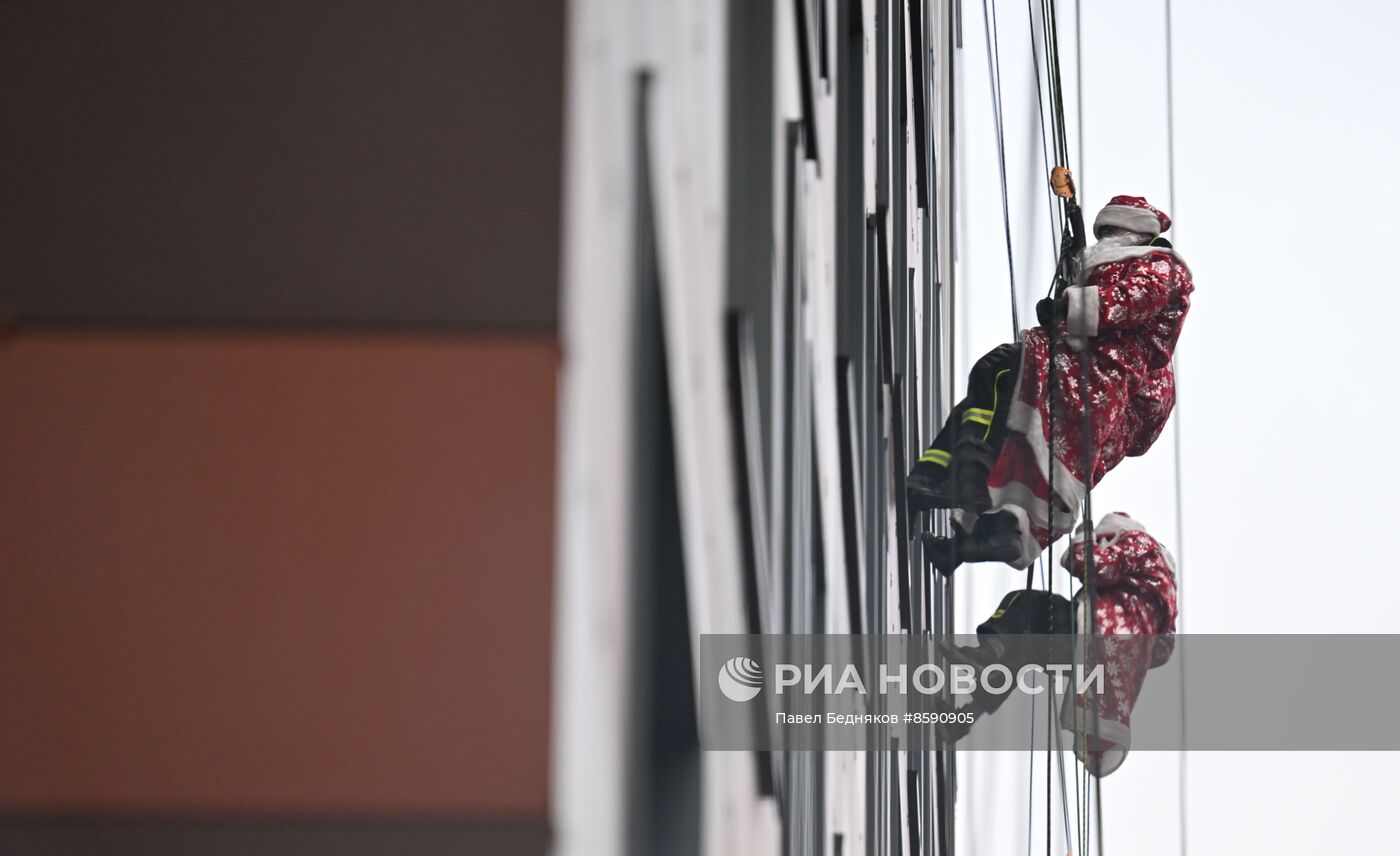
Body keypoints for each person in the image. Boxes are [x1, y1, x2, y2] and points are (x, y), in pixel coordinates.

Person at [909, 196, 1192, 571]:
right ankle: (977, 534)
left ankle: (959, 477)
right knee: (1031, 465)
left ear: (1133, 232)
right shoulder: (1150, 375)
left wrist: (1068, 307)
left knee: (999, 372)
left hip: (1087, 373)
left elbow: (1127, 299)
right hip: (1092, 387)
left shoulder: (1162, 267)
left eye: (1111, 231)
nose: (1104, 239)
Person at [938, 513, 1177, 779]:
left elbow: (1088, 564)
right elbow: (1162, 650)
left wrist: (1085, 539)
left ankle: (986, 655)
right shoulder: (1164, 592)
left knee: (1025, 605)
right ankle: (960, 721)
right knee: (1024, 651)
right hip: (1100, 667)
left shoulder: (1138, 544)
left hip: (1093, 632)